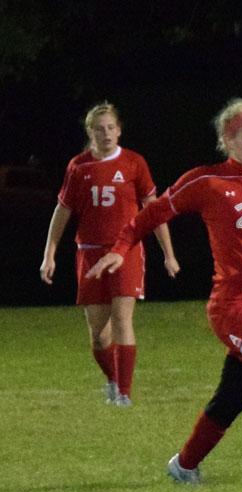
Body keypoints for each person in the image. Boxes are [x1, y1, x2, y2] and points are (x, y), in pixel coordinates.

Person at [87, 98, 242, 486]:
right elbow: (151, 214)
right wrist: (120, 250)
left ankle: (184, 465)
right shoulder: (207, 182)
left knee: (234, 394)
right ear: (228, 140)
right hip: (232, 307)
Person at [40, 101, 180, 407]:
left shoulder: (133, 163)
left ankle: (124, 394)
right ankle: (114, 380)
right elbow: (63, 210)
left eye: (111, 128)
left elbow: (152, 209)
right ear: (90, 132)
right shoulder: (79, 166)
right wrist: (49, 254)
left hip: (126, 251)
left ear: (119, 130)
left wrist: (168, 253)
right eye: (99, 129)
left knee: (121, 319)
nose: (106, 134)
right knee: (99, 336)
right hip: (89, 253)